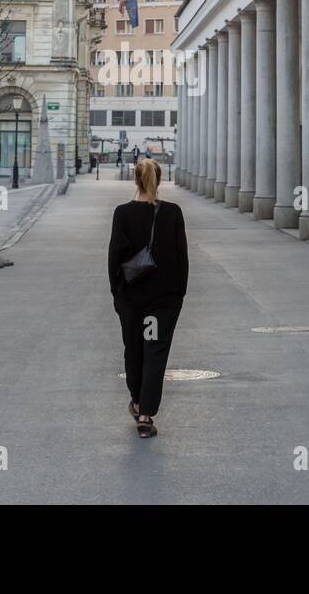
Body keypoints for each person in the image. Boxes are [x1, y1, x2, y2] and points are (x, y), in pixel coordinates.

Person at [107, 158, 189, 438]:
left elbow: (114, 258)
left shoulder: (123, 213)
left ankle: (138, 400)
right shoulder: (173, 213)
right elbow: (181, 258)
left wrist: (118, 295)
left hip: (132, 300)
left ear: (135, 181)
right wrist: (178, 294)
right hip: (162, 302)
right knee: (154, 352)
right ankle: (145, 415)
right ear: (160, 180)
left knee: (134, 349)